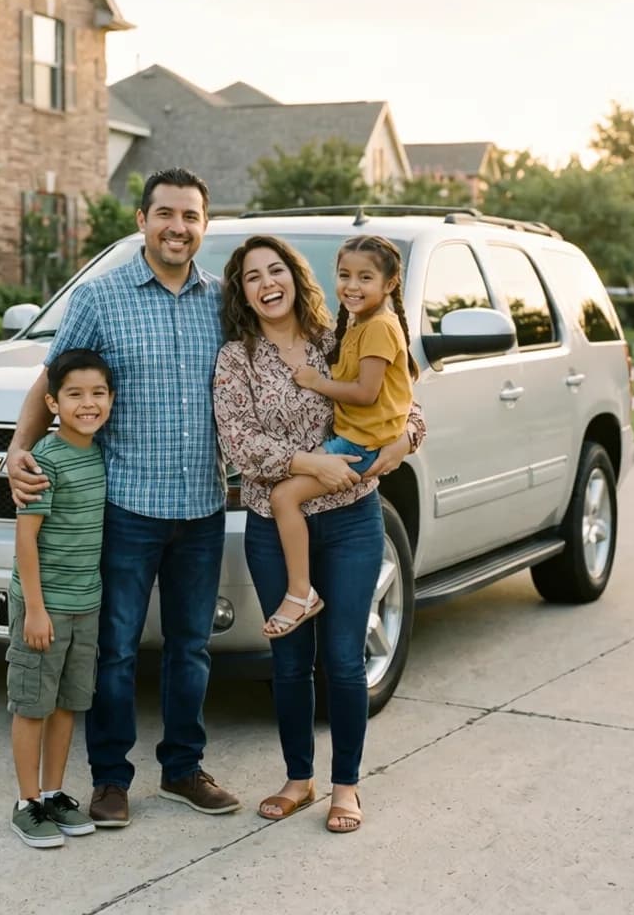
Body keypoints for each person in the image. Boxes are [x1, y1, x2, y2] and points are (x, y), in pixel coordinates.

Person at [7, 168, 240, 830]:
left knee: (191, 648)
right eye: (165, 213)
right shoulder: (103, 297)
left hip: (201, 505)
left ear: (204, 224)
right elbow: (50, 379)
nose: (178, 227)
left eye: (191, 216)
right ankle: (110, 780)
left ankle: (184, 769)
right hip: (128, 508)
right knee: (113, 651)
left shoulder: (223, 302)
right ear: (142, 219)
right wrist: (15, 452)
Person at [213, 234, 425, 834]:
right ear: (243, 292)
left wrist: (399, 444)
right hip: (273, 527)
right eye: (252, 276)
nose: (266, 283)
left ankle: (346, 787)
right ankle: (299, 779)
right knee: (288, 661)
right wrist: (315, 465)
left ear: (294, 276)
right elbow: (241, 445)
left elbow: (407, 403)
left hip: (353, 521)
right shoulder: (237, 359)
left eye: (275, 269)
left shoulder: (340, 335)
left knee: (342, 658)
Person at [264, 234, 418, 638]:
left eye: (365, 277)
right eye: (344, 274)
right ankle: (303, 588)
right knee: (293, 486)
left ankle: (300, 593)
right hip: (355, 439)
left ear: (389, 283)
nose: (351, 285)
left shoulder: (378, 328)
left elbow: (367, 393)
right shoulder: (358, 324)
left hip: (360, 446)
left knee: (283, 496)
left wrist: (316, 382)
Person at [8, 349, 115, 848]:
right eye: (74, 394)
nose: (87, 404)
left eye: (98, 393)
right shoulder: (43, 460)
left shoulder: (99, 453)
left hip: (85, 603)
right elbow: (25, 538)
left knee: (70, 702)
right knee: (33, 704)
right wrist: (34, 608)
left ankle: (53, 793)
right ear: (52, 402)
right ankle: (26, 802)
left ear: (112, 399)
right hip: (44, 604)